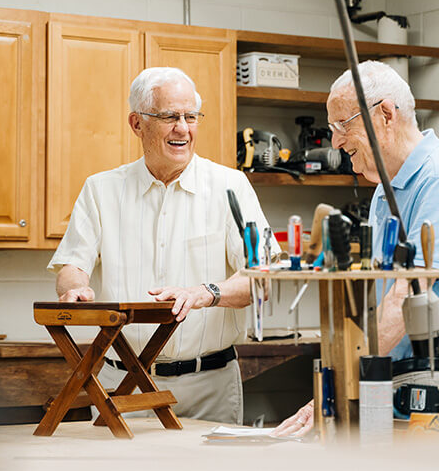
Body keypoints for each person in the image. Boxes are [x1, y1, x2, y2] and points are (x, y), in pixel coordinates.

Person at [273, 60, 439, 436]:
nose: (336, 142)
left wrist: (335, 383)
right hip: (385, 377)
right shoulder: (383, 193)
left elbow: (407, 299)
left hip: (429, 385)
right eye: (332, 128)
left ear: (386, 114)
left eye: (343, 125)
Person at [48, 66, 273, 425]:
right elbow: (72, 266)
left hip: (208, 386)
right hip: (120, 385)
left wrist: (207, 292)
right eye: (169, 117)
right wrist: (75, 290)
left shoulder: (232, 186)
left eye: (190, 116)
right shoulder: (100, 189)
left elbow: (265, 278)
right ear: (137, 124)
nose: (182, 128)